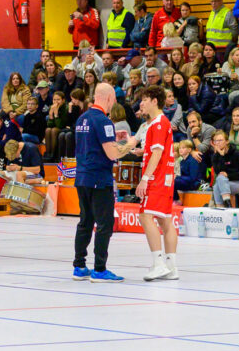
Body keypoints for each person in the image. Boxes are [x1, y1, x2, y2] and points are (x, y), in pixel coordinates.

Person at [72, 83, 137, 282]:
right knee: (104, 223)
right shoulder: (104, 121)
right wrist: (130, 144)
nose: (114, 104)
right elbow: (112, 154)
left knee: (85, 221)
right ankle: (100, 269)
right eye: (114, 100)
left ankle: (79, 266)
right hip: (99, 179)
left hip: (82, 177)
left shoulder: (82, 118)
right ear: (108, 98)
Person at [133, 85, 180, 281]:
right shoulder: (157, 123)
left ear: (154, 101)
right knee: (165, 220)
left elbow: (158, 153)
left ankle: (159, 263)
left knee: (145, 216)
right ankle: (171, 267)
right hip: (165, 176)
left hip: (157, 177)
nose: (140, 104)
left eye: (143, 100)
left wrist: (144, 179)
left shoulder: (159, 123)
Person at [207, 129, 239, 208]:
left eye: (220, 140)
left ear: (227, 141)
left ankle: (222, 206)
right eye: (215, 141)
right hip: (224, 184)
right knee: (219, 182)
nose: (218, 143)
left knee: (219, 182)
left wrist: (228, 175)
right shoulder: (215, 156)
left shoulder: (236, 153)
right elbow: (218, 171)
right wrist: (222, 156)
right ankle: (224, 203)